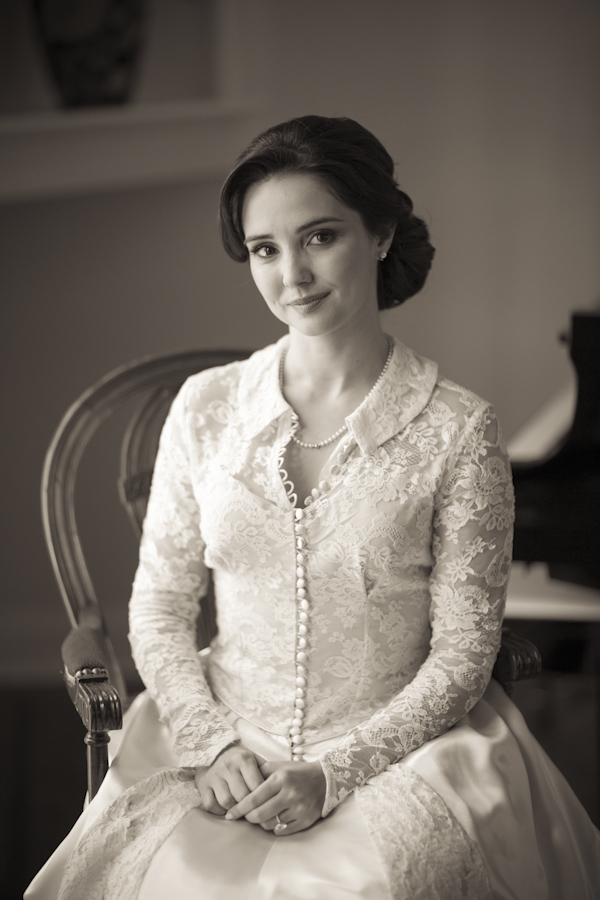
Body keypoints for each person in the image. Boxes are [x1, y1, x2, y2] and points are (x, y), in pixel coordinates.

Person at [26, 116, 600, 900]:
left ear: (383, 232)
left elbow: (466, 652)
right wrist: (214, 746)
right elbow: (160, 607)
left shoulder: (459, 429)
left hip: (397, 747)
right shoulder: (205, 407)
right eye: (265, 249)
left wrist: (334, 774)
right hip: (219, 735)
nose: (291, 273)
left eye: (319, 236)